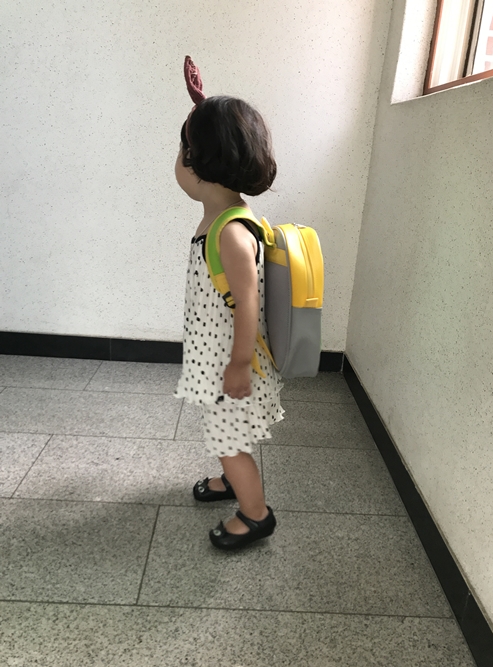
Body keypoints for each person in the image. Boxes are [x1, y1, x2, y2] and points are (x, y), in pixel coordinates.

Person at [174, 61, 283, 551]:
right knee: (223, 431)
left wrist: (238, 365)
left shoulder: (232, 234)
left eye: (182, 150)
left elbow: (248, 305)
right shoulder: (222, 215)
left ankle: (255, 514)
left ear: (196, 163)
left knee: (229, 439)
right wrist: (201, 109)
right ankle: (228, 481)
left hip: (230, 363)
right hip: (215, 356)